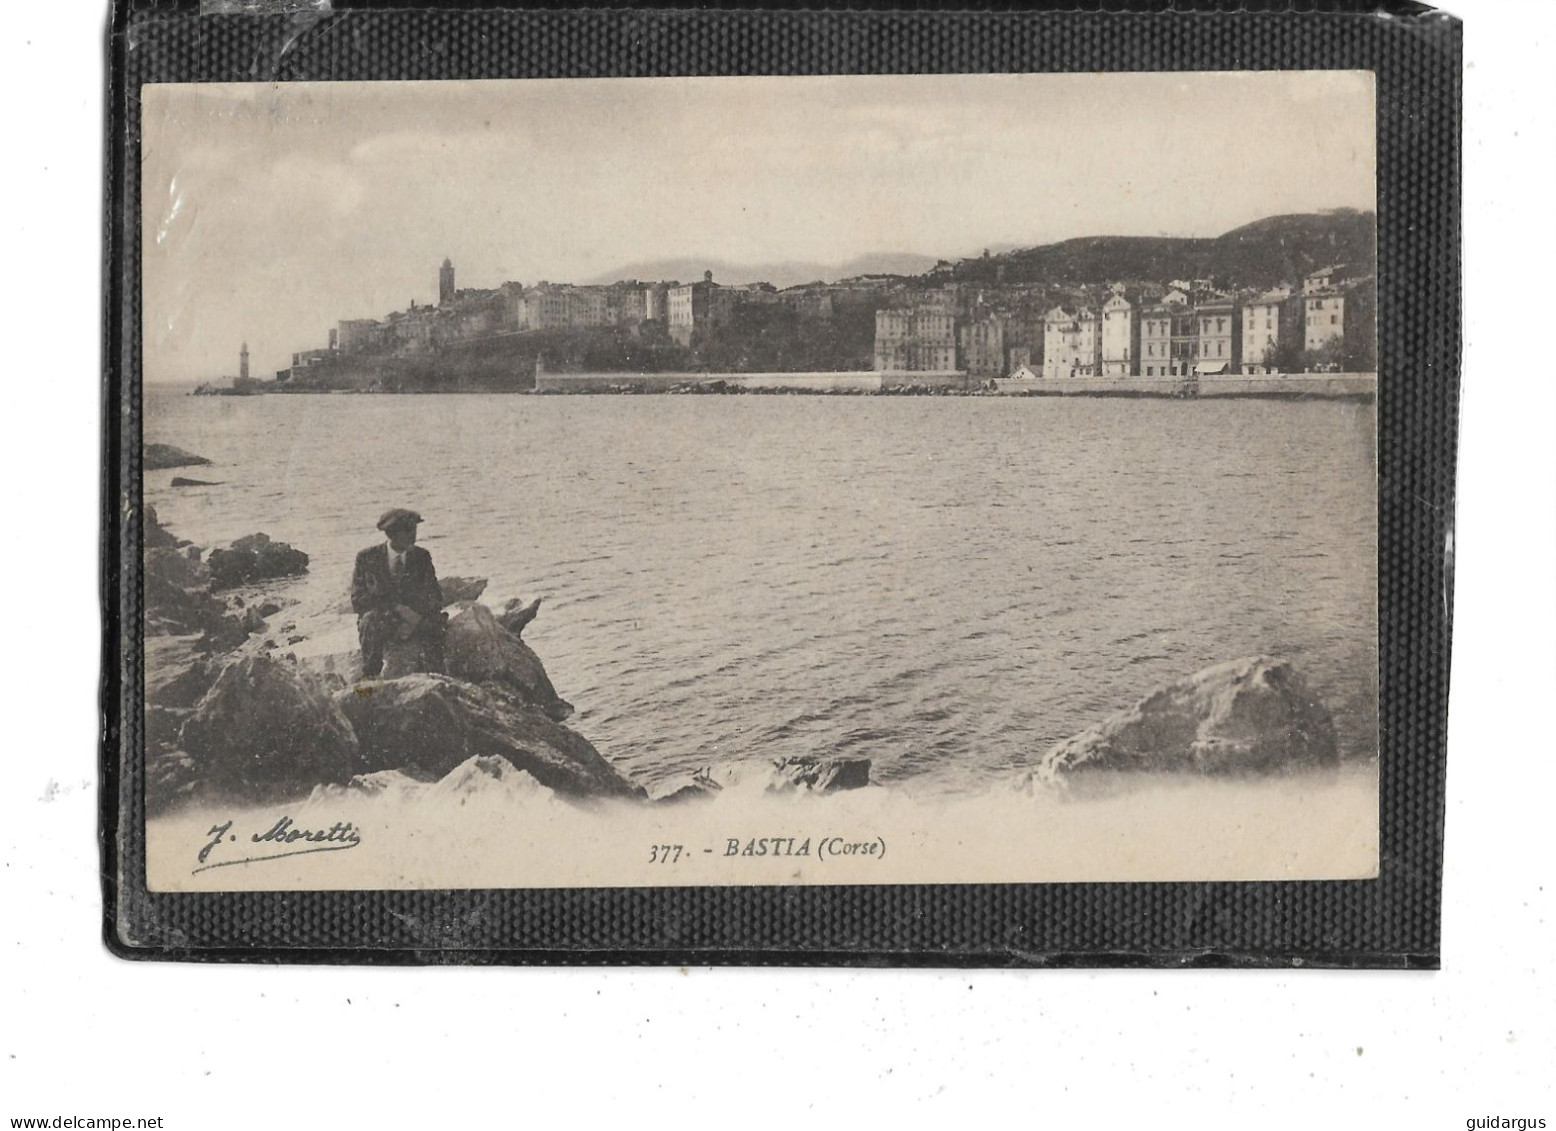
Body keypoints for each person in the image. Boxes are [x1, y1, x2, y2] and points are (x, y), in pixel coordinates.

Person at [351, 508, 447, 678]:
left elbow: (435, 596)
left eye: (415, 530)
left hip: (416, 618)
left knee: (436, 624)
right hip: (384, 618)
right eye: (408, 531)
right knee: (368, 621)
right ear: (392, 534)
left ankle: (436, 676)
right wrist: (397, 608)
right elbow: (358, 600)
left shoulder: (421, 557)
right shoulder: (367, 558)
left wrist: (413, 616)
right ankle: (371, 675)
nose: (413, 537)